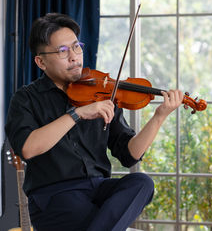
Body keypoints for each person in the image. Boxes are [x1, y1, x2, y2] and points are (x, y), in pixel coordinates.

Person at [5, 13, 184, 231]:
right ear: (41, 62)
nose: (74, 56)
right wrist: (77, 114)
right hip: (55, 195)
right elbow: (29, 148)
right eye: (63, 51)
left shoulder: (101, 92)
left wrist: (159, 116)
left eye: (76, 46)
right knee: (90, 216)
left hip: (98, 189)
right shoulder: (25, 99)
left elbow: (130, 155)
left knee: (142, 183)